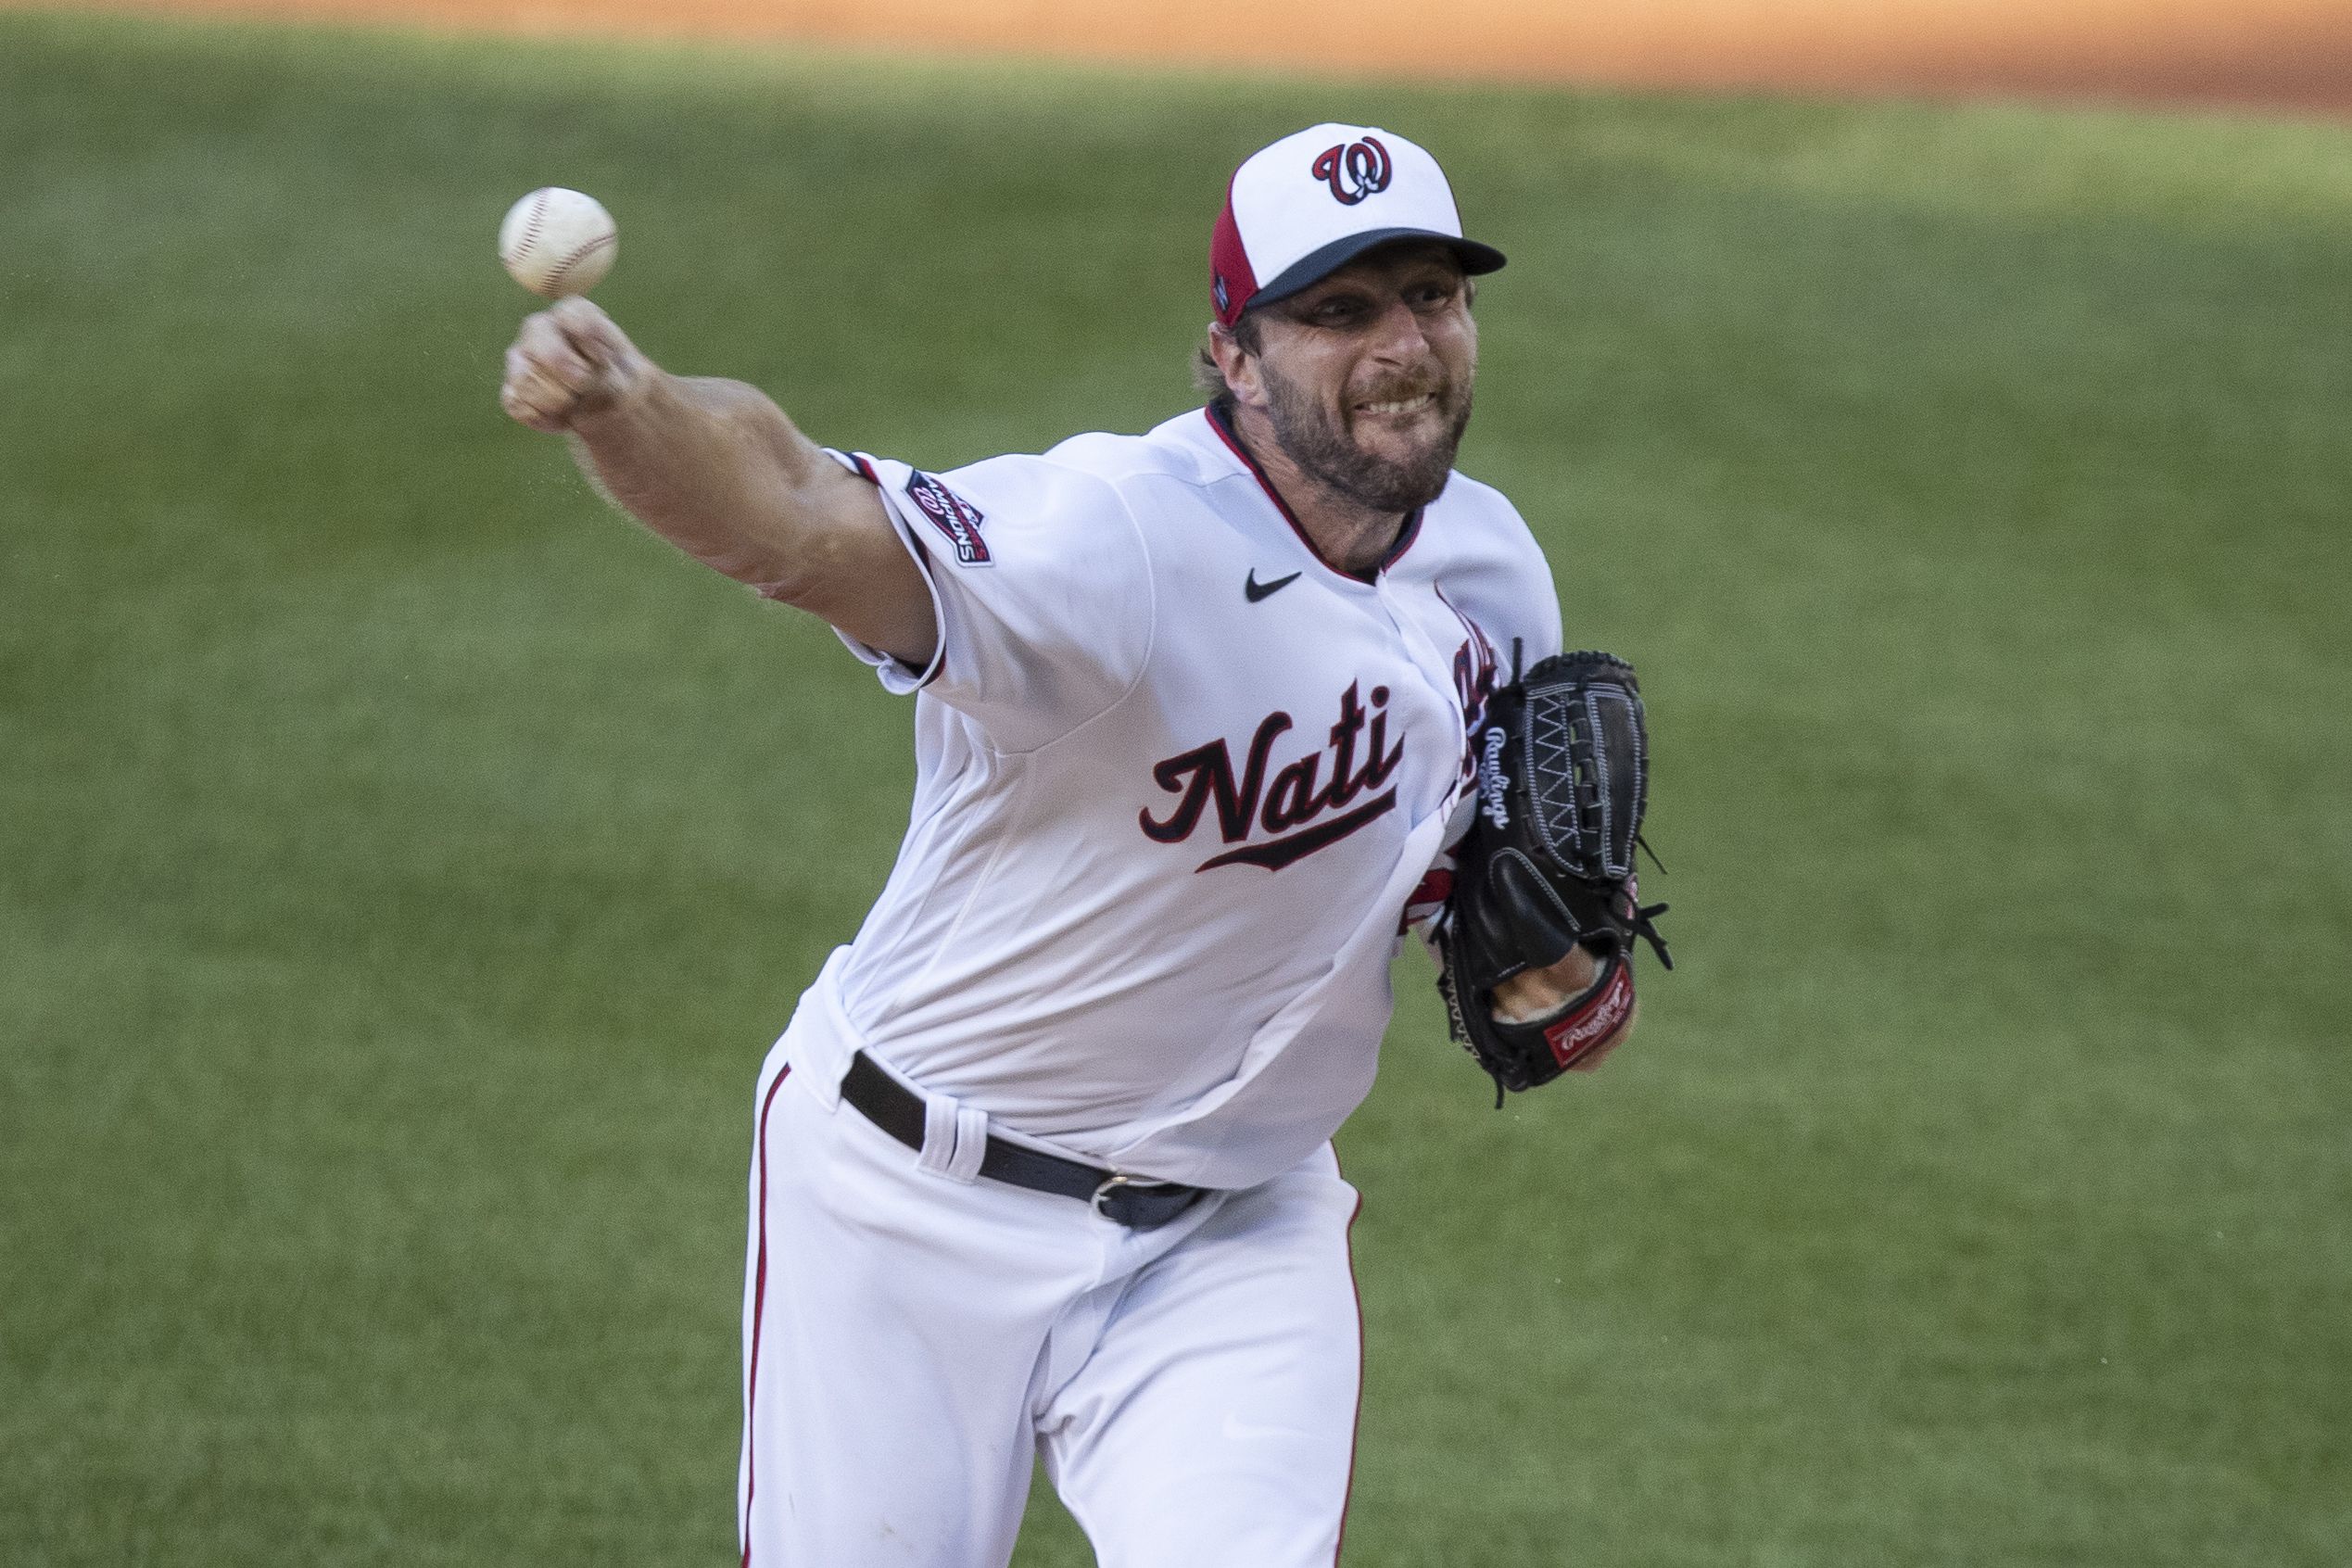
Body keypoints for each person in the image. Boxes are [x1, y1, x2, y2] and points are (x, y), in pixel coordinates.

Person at [499, 121, 1632, 1568]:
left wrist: (1544, 962)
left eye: (1431, 296)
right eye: (1339, 311)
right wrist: (625, 405)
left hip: (1232, 1229)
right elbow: (787, 508)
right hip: (909, 1204)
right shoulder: (1108, 544)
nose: (1402, 344)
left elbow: (1464, 882)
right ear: (1233, 354)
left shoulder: (1489, 567)